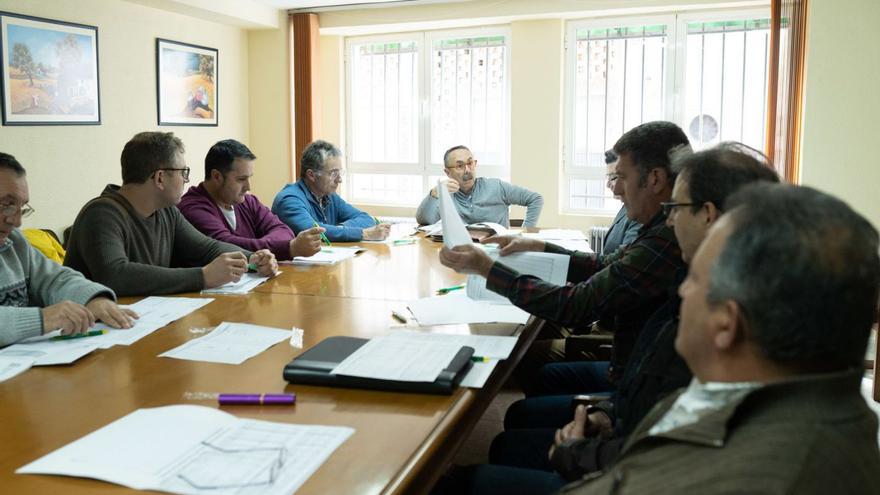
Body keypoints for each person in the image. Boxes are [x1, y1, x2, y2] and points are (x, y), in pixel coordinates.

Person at [457, 143, 780, 494]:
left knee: (471, 474)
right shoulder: (715, 277)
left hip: (623, 457)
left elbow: (661, 449)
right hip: (625, 415)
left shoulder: (707, 302)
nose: (670, 218)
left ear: (708, 214)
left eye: (676, 207)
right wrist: (608, 414)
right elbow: (654, 401)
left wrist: (581, 452)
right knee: (517, 423)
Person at [557, 184, 880, 494]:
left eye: (695, 277)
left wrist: (571, 454)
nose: (682, 290)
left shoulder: (744, 476)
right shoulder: (816, 402)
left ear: (727, 323)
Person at [439, 122, 690, 390]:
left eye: (622, 178)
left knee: (519, 371)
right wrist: (537, 245)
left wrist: (488, 269)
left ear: (655, 179)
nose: (614, 189)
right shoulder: (659, 225)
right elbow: (602, 264)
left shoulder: (663, 239)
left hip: (629, 377)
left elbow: (574, 306)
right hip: (631, 365)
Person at [64, 132, 278, 297]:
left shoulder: (167, 212)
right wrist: (202, 276)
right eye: (183, 172)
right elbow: (116, 275)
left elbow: (208, 247)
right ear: (159, 178)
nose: (186, 179)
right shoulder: (102, 214)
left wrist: (253, 257)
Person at [0, 153, 136, 346]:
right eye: (6, 205)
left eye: (21, 207)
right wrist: (41, 319)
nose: (16, 221)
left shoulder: (14, 242)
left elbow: (56, 279)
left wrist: (93, 299)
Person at [178, 139, 324, 261]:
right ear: (217, 177)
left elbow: (283, 230)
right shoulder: (192, 208)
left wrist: (281, 246)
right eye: (241, 179)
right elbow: (226, 245)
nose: (248, 186)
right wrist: (288, 248)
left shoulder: (247, 201)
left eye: (249, 178)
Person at [272, 140, 390, 242]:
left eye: (340, 173)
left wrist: (338, 229)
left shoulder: (328, 195)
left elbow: (366, 219)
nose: (339, 180)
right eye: (333, 173)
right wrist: (364, 234)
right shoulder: (289, 200)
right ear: (311, 175)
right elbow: (315, 232)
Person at [415, 145, 544, 228]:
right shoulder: (445, 193)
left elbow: (535, 199)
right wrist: (433, 194)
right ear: (448, 172)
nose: (467, 170)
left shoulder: (496, 187)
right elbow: (425, 220)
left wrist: (525, 235)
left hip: (497, 252)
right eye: (460, 166)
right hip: (461, 253)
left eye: (470, 163)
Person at [600, 150, 640, 254]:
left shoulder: (641, 212)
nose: (608, 185)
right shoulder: (626, 206)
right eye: (608, 177)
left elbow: (624, 260)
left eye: (613, 177)